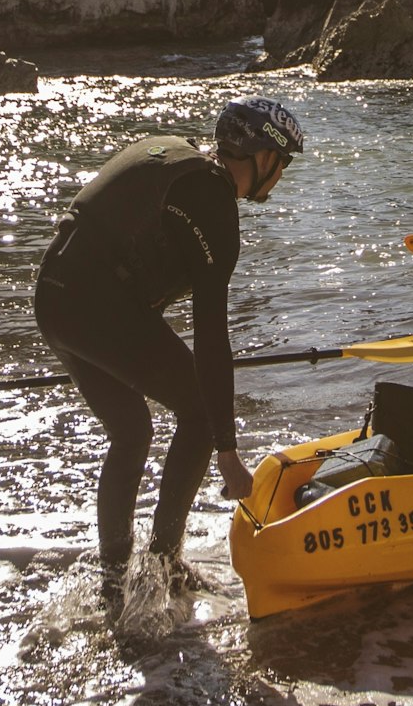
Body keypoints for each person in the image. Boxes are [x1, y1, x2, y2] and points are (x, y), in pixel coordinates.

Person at [32, 97, 304, 585]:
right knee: (198, 413)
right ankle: (163, 567)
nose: (280, 176)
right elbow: (211, 335)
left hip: (53, 298)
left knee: (132, 430)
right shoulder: (213, 203)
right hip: (93, 303)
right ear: (260, 156)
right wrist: (227, 449)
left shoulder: (174, 153)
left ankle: (115, 578)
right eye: (280, 163)